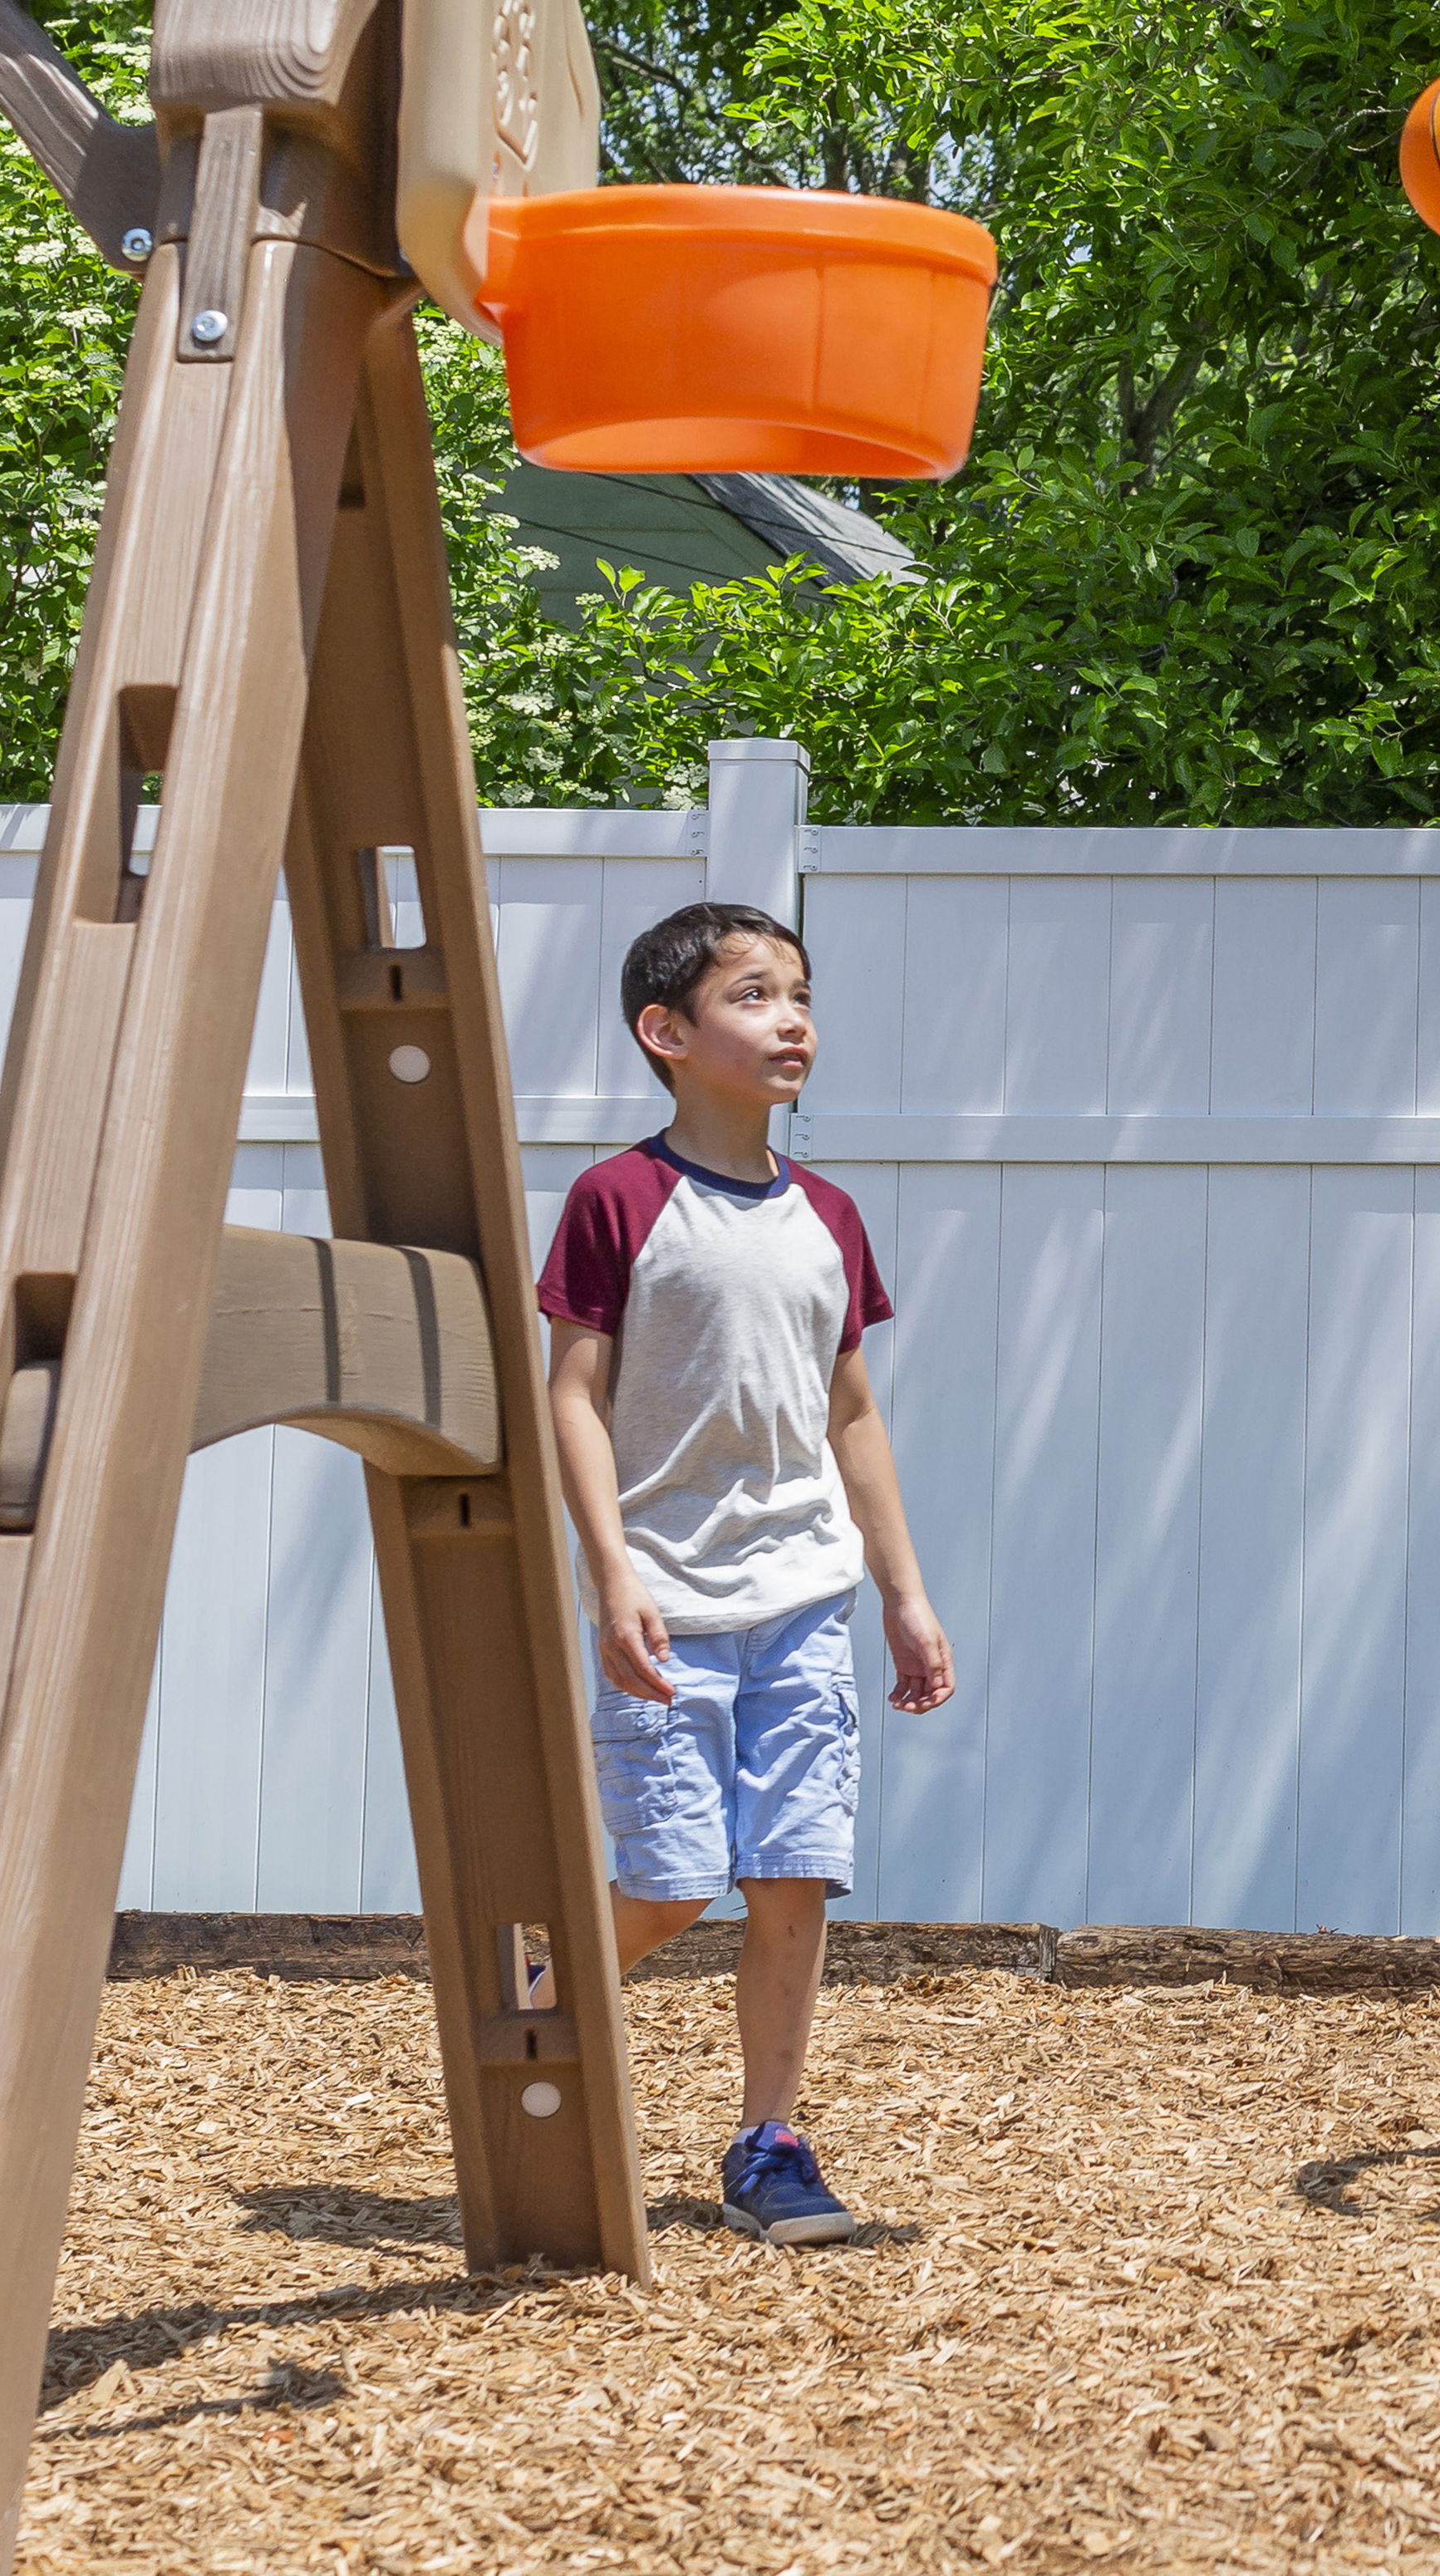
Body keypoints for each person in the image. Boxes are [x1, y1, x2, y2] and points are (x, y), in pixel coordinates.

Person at [538, 899, 956, 2244]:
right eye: (755, 996)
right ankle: (531, 2021)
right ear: (666, 1033)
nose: (792, 1019)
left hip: (804, 1609)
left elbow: (852, 1418)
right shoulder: (619, 1199)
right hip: (666, 1605)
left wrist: (903, 1593)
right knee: (667, 1883)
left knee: (790, 1877)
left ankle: (769, 2145)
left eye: (800, 996)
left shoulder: (826, 1214)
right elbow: (574, 1400)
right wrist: (611, 1577)